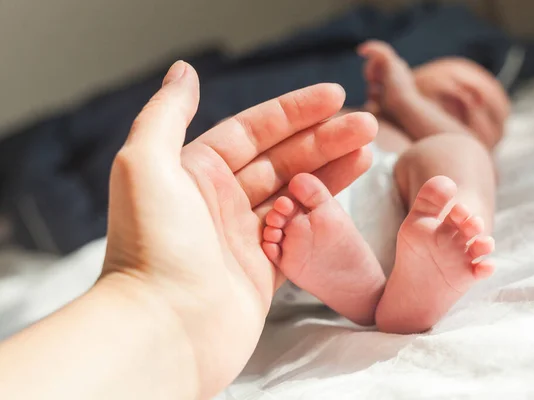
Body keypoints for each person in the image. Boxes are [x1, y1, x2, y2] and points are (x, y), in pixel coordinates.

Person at [0, 61, 378, 399]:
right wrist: (162, 302)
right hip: (299, 229)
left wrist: (155, 301)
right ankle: (374, 292)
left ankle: (373, 292)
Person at [262, 40, 509, 334]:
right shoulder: (359, 114)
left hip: (407, 233)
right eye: (461, 80)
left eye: (491, 117)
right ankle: (362, 292)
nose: (475, 99)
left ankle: (451, 233)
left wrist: (408, 101)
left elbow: (480, 163)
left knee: (464, 152)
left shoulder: (430, 150)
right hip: (279, 215)